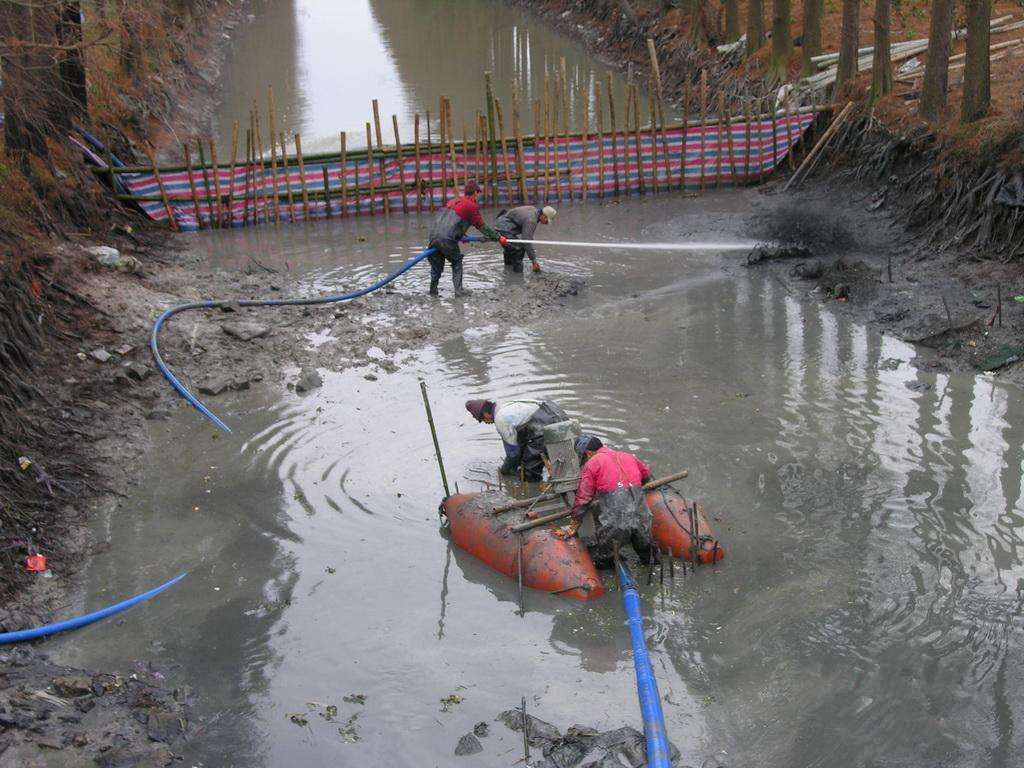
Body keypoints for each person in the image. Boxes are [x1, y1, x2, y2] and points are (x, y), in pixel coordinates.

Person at [554, 436, 655, 566]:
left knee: (604, 559)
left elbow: (583, 498)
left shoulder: (592, 463)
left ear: (588, 453)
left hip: (616, 523)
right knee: (649, 556)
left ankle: (610, 565)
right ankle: (650, 562)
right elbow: (646, 475)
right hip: (642, 517)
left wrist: (574, 523)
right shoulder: (628, 456)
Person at [465, 397, 568, 482]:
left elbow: (513, 453)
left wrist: (504, 470)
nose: (485, 422)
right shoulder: (503, 405)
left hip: (544, 423)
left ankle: (533, 490)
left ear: (485, 414)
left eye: (482, 420)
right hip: (555, 412)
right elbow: (520, 441)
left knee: (529, 468)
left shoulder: (501, 419)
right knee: (560, 456)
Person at [426, 181, 502, 296]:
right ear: (475, 193)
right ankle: (459, 290)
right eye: (478, 194)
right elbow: (482, 227)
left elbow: (449, 223)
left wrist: (460, 235)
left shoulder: (453, 201)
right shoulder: (471, 205)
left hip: (433, 236)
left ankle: (433, 291)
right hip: (447, 239)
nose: (479, 196)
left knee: (437, 265)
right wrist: (498, 237)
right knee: (457, 261)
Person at [493, 205, 556, 273]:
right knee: (519, 249)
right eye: (547, 220)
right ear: (543, 215)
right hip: (503, 228)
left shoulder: (533, 210)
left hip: (500, 222)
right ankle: (518, 277)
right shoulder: (531, 220)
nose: (547, 223)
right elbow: (526, 241)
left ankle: (508, 270)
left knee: (510, 248)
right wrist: (534, 261)